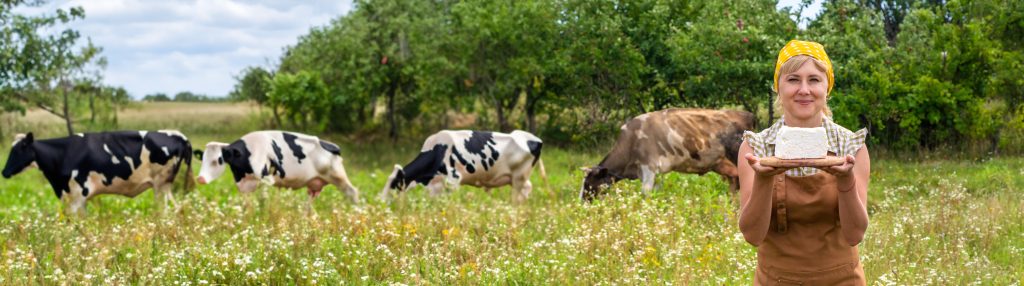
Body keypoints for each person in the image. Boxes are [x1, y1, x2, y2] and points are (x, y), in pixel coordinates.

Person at [737, 40, 870, 285]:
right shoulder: (756, 148)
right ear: (779, 87)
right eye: (793, 79)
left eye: (814, 80)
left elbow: (855, 234)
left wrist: (845, 179)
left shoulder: (851, 146)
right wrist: (764, 179)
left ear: (827, 86)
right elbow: (752, 235)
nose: (804, 89)